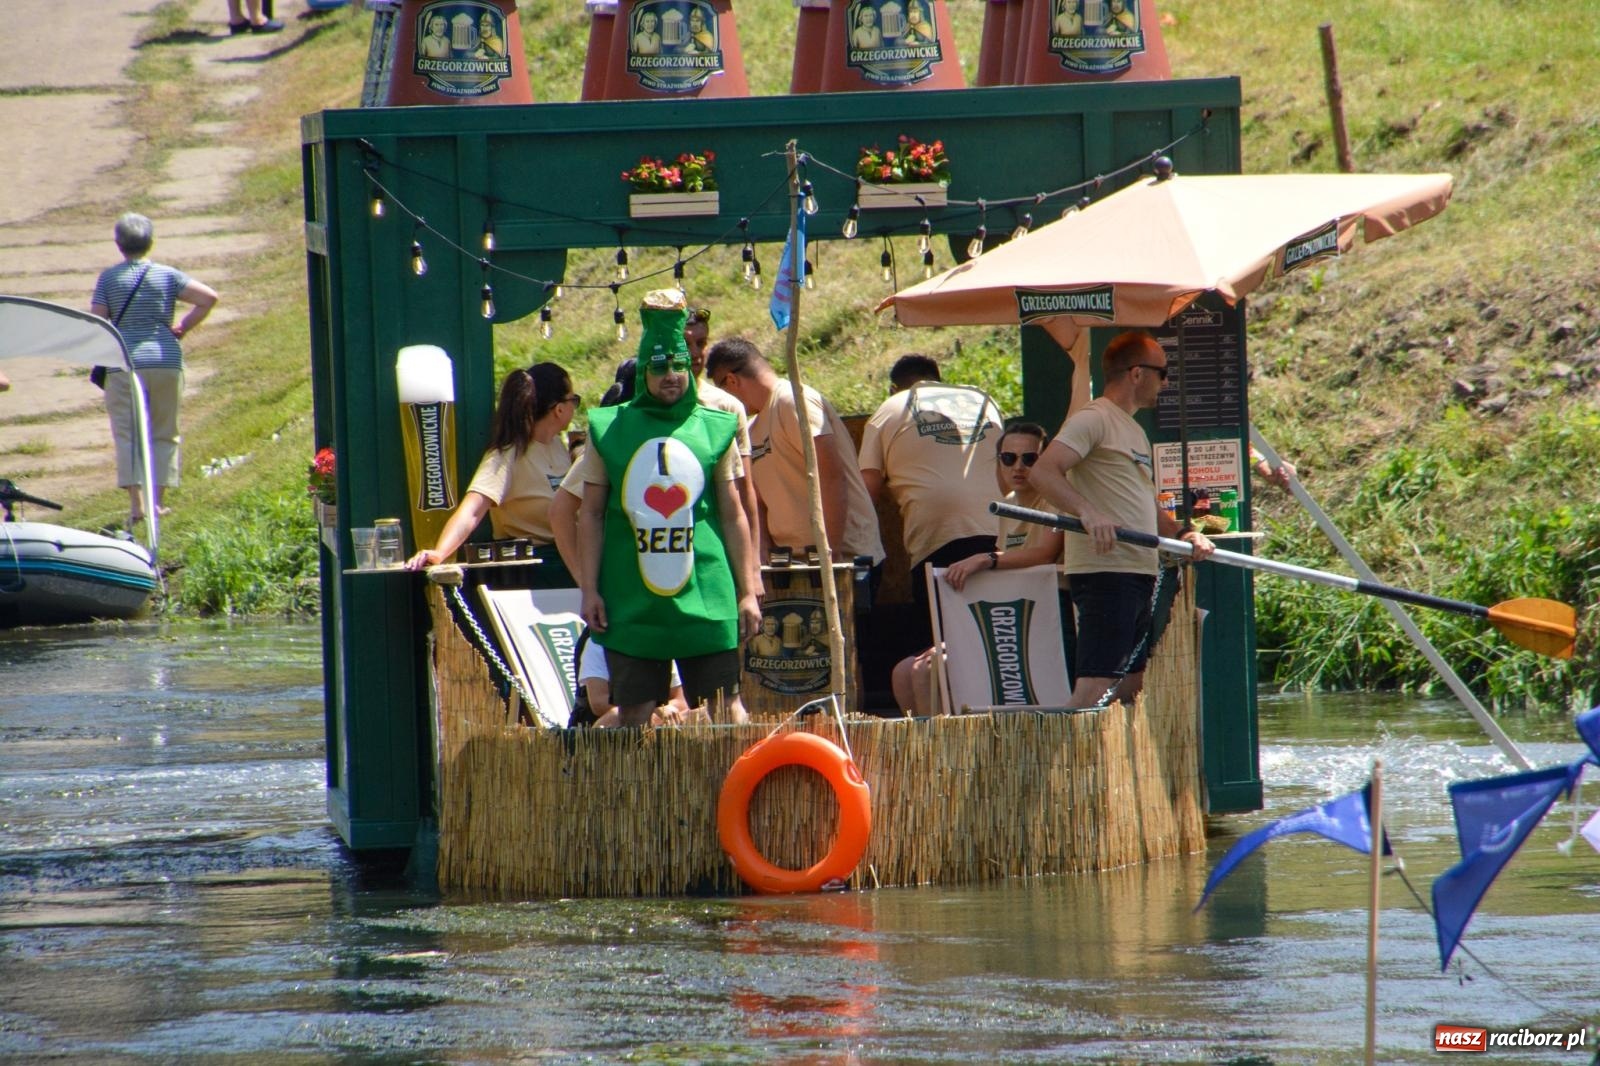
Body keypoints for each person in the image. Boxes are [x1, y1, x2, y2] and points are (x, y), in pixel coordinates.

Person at [574, 292, 760, 728]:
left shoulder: (718, 426)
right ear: (643, 369)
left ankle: (736, 792)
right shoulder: (609, 428)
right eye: (659, 366)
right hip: (631, 597)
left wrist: (749, 588)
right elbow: (590, 514)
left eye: (678, 363)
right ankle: (635, 797)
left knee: (726, 709)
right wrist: (589, 589)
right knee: (635, 713)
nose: (671, 376)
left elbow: (734, 514)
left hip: (707, 594)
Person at [1028, 331, 1214, 709]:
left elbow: (1145, 502)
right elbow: (1044, 472)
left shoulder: (1133, 430)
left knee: (1130, 686)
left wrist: (1185, 533)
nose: (1166, 383)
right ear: (1136, 373)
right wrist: (1087, 511)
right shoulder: (1094, 418)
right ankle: (1064, 762)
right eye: (1162, 373)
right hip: (1105, 571)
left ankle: (1108, 765)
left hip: (1138, 572)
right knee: (1095, 689)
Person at [890, 421, 1066, 716]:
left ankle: (946, 747)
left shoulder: (1053, 499)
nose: (1018, 467)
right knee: (904, 670)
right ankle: (927, 752)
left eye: (1030, 459)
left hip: (1040, 622)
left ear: (1044, 460)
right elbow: (1008, 555)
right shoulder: (1009, 503)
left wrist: (985, 559)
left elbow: (1045, 554)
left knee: (928, 670)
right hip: (1004, 615)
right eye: (1009, 458)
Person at [858, 353, 1006, 648]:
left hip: (939, 538)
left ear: (893, 388)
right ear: (938, 380)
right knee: (996, 639)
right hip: (1002, 534)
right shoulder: (982, 400)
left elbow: (866, 492)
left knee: (944, 645)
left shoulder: (890, 408)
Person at [704, 338, 884, 570]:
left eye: (722, 390)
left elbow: (831, 476)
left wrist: (831, 552)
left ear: (731, 380)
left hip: (844, 558)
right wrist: (763, 550)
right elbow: (757, 501)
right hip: (794, 565)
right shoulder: (752, 427)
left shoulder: (792, 401)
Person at [90, 212, 219, 528]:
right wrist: (183, 327)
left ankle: (138, 508)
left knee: (128, 434)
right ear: (151, 242)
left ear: (118, 244)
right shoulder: (167, 275)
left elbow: (98, 321)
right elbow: (208, 298)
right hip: (166, 361)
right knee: (165, 432)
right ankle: (159, 504)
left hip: (124, 363)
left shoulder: (109, 279)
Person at [404, 362, 577, 572]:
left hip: (573, 557)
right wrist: (440, 552)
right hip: (535, 565)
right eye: (574, 400)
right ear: (559, 409)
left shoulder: (558, 445)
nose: (575, 407)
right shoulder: (508, 453)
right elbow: (472, 510)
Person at [684, 305, 762, 593]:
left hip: (719, 548)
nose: (695, 353)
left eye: (701, 343)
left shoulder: (726, 407)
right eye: (685, 343)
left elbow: (744, 489)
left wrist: (753, 569)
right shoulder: (639, 408)